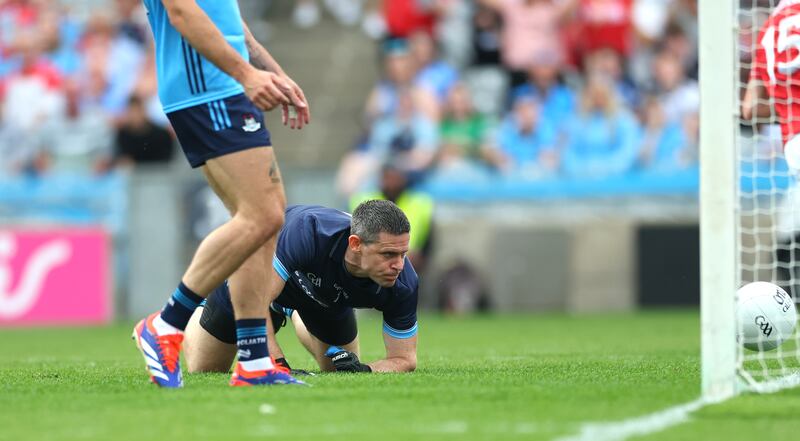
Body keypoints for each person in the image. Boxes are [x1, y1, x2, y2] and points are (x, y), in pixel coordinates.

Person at [132, 0, 311, 388]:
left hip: (224, 86)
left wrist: (274, 72)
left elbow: (229, 21)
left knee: (261, 222)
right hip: (206, 88)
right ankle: (166, 323)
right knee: (263, 215)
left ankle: (254, 360)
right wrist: (247, 73)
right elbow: (181, 11)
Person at [182, 200, 419, 374]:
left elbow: (404, 359)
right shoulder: (307, 231)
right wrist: (277, 366)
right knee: (205, 370)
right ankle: (195, 311)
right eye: (388, 254)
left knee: (341, 370)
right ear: (355, 244)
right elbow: (254, 303)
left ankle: (296, 311)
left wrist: (366, 370)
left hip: (321, 298)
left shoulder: (404, 283)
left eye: (403, 253)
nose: (398, 265)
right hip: (251, 289)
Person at [743, 0, 800, 297]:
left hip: (794, 142)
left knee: (790, 217)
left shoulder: (768, 30)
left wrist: (787, 108)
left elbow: (750, 108)